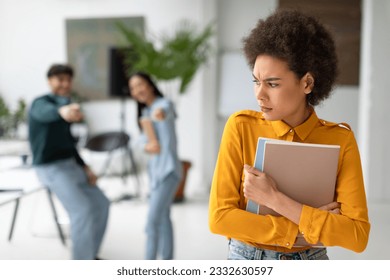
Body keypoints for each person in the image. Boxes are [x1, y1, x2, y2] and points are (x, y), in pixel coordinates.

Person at [208, 10, 370, 260]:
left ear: (307, 83)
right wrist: (302, 230)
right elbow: (220, 219)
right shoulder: (241, 127)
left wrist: (273, 198)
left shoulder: (340, 140)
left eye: (272, 84)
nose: (259, 95)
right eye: (256, 81)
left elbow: (357, 236)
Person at [28, 64, 110, 260]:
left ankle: (91, 254)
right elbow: (46, 112)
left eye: (68, 80)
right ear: (50, 81)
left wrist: (85, 166)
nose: (65, 84)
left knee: (101, 203)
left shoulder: (68, 103)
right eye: (60, 79)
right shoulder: (41, 103)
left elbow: (68, 144)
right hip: (50, 168)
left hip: (71, 165)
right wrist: (62, 111)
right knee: (81, 210)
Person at [128, 72, 182, 260]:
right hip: (155, 174)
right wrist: (146, 145)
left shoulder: (163, 105)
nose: (137, 90)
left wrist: (160, 115)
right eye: (133, 88)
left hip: (168, 171)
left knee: (151, 223)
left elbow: (166, 111)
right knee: (163, 219)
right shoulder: (144, 114)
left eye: (140, 85)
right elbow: (140, 141)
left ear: (150, 85)